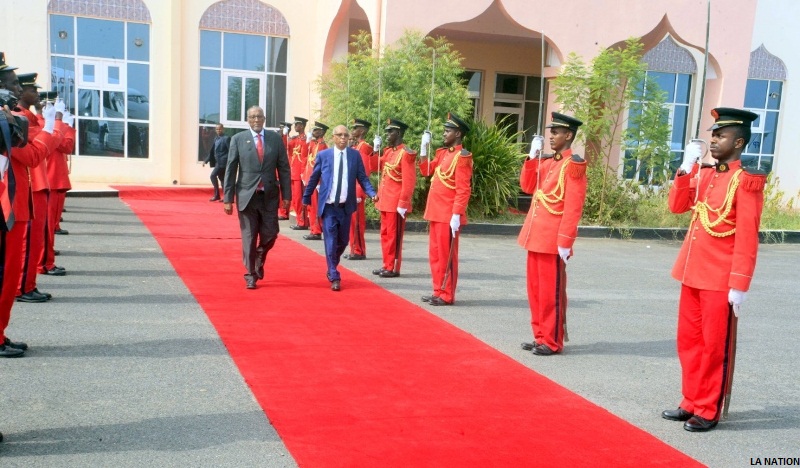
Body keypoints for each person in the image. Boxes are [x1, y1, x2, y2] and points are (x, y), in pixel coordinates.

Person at [661, 108, 765, 433]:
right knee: (688, 340)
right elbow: (677, 207)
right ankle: (690, 400)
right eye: (713, 135)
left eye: (721, 136)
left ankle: (708, 408)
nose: (714, 140)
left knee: (713, 345)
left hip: (720, 277)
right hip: (692, 271)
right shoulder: (705, 174)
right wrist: (686, 166)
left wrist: (740, 283)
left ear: (739, 141)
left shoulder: (744, 181)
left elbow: (747, 235)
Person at [0, 53, 63, 357]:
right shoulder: (8, 119)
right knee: (6, 274)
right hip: (7, 206)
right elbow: (33, 155)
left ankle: (0, 333)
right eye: (11, 83)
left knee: (9, 272)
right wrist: (52, 128)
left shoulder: (10, 116)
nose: (15, 89)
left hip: (14, 202)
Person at [518, 112, 587, 356]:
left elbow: (573, 206)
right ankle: (539, 336)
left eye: (556, 132)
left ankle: (552, 340)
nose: (551, 136)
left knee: (551, 294)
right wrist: (531, 156)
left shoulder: (573, 165)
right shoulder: (548, 162)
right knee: (536, 292)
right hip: (535, 236)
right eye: (551, 132)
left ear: (568, 135)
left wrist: (565, 242)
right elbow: (527, 187)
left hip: (552, 240)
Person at [222, 106, 291, 290]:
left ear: (264, 118)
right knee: (249, 237)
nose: (256, 120)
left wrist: (287, 195)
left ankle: (260, 255)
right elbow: (231, 169)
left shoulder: (275, 140)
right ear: (248, 120)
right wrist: (227, 198)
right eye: (253, 117)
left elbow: (284, 168)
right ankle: (250, 273)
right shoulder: (238, 139)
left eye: (259, 116)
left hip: (269, 196)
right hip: (247, 196)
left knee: (271, 233)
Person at [302, 125, 377, 291]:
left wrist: (372, 193)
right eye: (340, 135)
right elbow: (314, 178)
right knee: (330, 240)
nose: (343, 138)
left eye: (346, 135)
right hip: (329, 207)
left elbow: (363, 178)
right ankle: (334, 274)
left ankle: (332, 264)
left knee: (342, 241)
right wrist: (306, 197)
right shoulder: (324, 155)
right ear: (334, 137)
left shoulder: (354, 156)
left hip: (345, 207)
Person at [418, 113, 473, 306]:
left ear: (458, 133)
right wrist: (424, 149)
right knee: (435, 254)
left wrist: (457, 213)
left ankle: (447, 293)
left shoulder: (463, 157)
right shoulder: (442, 153)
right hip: (436, 212)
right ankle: (438, 289)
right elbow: (425, 171)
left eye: (448, 131)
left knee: (446, 256)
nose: (444, 133)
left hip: (448, 214)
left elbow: (463, 188)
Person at [372, 118, 416, 278]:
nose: (387, 134)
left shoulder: (406, 154)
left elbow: (409, 181)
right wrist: (375, 150)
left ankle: (393, 267)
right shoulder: (389, 152)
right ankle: (386, 263)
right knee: (384, 234)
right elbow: (372, 166)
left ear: (398, 133)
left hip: (396, 203)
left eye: (390, 131)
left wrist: (403, 202)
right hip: (384, 201)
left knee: (393, 236)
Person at [345, 118, 377, 260]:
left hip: (356, 192)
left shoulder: (363, 147)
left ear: (362, 131)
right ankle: (353, 248)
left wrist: (359, 191)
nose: (352, 131)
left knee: (357, 222)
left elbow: (363, 172)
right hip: (351, 190)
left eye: (355, 128)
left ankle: (358, 250)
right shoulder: (356, 147)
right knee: (351, 222)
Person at [301, 121, 329, 241]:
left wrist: (319, 182)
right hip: (310, 179)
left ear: (322, 132)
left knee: (315, 207)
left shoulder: (322, 145)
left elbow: (322, 166)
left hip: (316, 181)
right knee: (310, 207)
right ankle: (313, 229)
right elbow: (306, 158)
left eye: (316, 130)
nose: (313, 132)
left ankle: (316, 231)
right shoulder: (314, 144)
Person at [287, 116, 309, 230]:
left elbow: (305, 158)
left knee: (300, 199)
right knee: (295, 199)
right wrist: (286, 134)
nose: (295, 126)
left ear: (302, 126)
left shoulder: (305, 139)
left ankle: (302, 222)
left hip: (299, 174)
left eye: (297, 125)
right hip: (293, 173)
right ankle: (299, 221)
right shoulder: (295, 139)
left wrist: (302, 173)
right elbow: (287, 147)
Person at [204, 123, 230, 202]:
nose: (218, 130)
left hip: (223, 162)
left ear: (223, 129)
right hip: (217, 162)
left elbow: (230, 151)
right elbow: (213, 151)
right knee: (222, 179)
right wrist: (206, 160)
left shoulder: (226, 138)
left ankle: (217, 195)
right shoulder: (216, 139)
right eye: (217, 129)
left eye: (220, 129)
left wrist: (229, 161)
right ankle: (226, 197)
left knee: (213, 176)